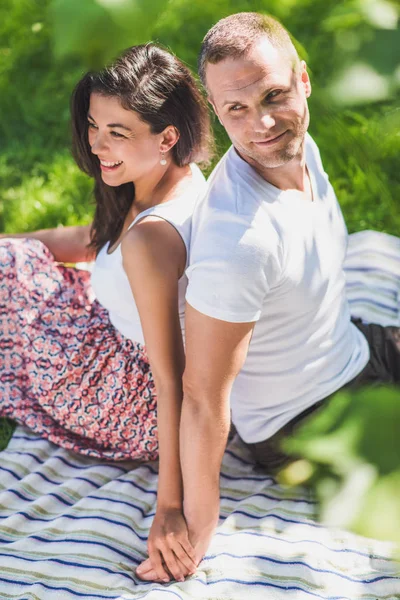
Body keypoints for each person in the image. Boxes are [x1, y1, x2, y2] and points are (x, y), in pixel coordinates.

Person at [136, 12, 400, 583]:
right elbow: (203, 396)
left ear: (303, 80)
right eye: (236, 109)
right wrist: (194, 520)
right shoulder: (240, 242)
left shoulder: (300, 149)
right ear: (216, 113)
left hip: (353, 348)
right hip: (306, 419)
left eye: (274, 95)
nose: (262, 123)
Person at [0, 43, 212, 584]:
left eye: (117, 131)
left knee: (8, 269)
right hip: (117, 354)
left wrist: (169, 505)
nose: (97, 145)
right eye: (94, 125)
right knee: (16, 258)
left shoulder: (153, 238)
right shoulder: (173, 178)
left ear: (167, 136)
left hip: (127, 398)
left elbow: (172, 379)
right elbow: (89, 241)